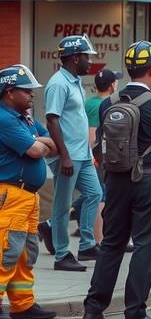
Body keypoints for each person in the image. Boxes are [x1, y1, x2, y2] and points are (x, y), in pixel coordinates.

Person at [82, 41, 151, 319]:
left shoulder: (108, 104)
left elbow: (101, 143)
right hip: (148, 180)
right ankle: (135, 313)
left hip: (115, 181)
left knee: (111, 243)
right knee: (144, 243)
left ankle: (93, 309)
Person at [0, 64, 59, 319]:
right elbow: (36, 151)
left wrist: (38, 141)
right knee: (6, 252)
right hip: (10, 195)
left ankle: (22, 304)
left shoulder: (25, 118)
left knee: (25, 253)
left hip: (27, 196)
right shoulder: (4, 119)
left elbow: (53, 146)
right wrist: (37, 141)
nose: (32, 94)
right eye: (27, 90)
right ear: (10, 92)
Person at [39, 35, 103, 271]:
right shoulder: (58, 83)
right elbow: (52, 120)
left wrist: (88, 152)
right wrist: (64, 156)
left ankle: (86, 246)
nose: (90, 62)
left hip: (82, 154)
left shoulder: (75, 81)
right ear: (75, 57)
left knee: (95, 194)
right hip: (68, 156)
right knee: (62, 206)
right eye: (87, 56)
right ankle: (62, 254)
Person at [69, 68, 121, 244]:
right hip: (95, 158)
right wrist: (93, 157)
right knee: (100, 196)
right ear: (112, 85)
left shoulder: (91, 102)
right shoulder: (101, 105)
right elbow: (92, 136)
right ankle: (99, 240)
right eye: (116, 81)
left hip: (90, 156)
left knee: (92, 194)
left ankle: (52, 223)